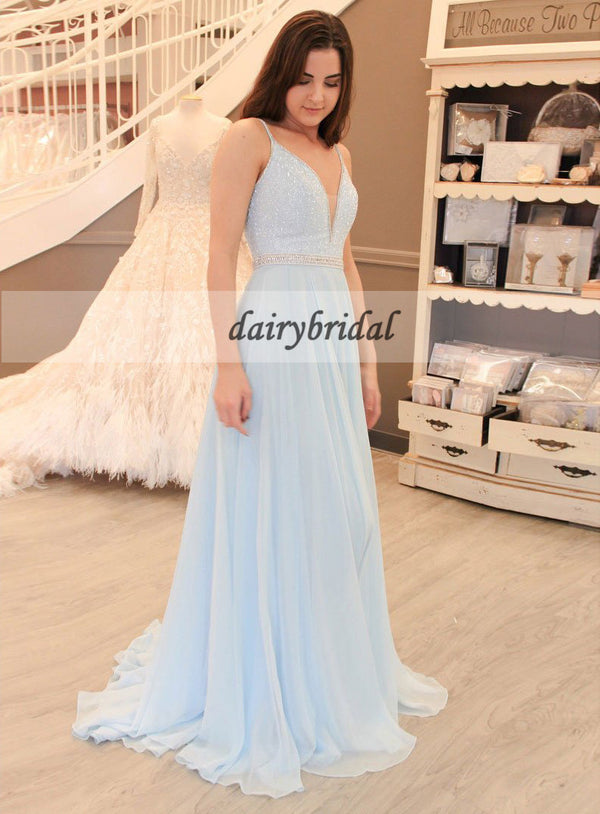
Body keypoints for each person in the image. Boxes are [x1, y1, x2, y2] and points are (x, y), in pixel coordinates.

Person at [72, 11, 448, 799]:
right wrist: (227, 367)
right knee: (279, 504)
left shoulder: (337, 153)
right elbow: (217, 258)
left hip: (328, 345)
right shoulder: (249, 139)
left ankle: (327, 662)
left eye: (332, 82)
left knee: (336, 510)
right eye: (305, 78)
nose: (317, 95)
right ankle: (271, 670)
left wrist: (367, 364)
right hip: (273, 336)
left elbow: (346, 266)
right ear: (281, 72)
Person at [0, 99, 252, 496]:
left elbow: (224, 190)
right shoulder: (160, 126)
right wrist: (143, 235)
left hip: (202, 235)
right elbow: (151, 188)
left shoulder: (223, 128)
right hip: (163, 234)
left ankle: (190, 438)